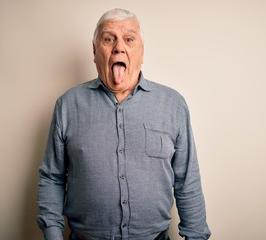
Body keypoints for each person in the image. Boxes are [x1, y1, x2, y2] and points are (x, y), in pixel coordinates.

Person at [37, 8, 211, 240]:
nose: (119, 47)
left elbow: (187, 181)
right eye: (108, 39)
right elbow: (53, 177)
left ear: (141, 51)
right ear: (95, 51)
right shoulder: (68, 105)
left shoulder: (173, 105)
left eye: (129, 39)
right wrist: (52, 235)